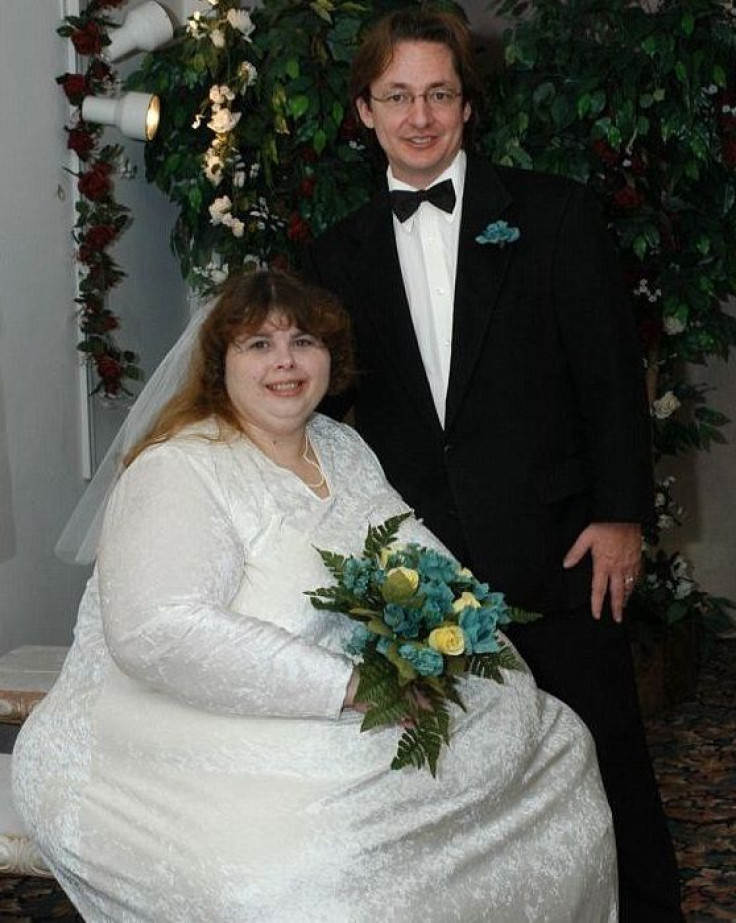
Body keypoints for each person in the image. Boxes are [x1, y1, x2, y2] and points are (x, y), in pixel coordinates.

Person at [13, 269, 617, 922]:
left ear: (330, 356)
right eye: (258, 345)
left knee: (553, 738)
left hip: (326, 696)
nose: (286, 362)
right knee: (332, 869)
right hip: (155, 739)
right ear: (220, 365)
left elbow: (416, 559)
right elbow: (160, 631)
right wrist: (350, 684)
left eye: (303, 341)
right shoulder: (180, 468)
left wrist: (468, 641)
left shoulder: (341, 446)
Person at [305, 8, 682, 922]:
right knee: (457, 795)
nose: (420, 115)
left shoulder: (554, 215)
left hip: (559, 554)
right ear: (364, 110)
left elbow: (609, 379)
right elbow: (324, 413)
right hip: (420, 576)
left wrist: (623, 516)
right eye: (397, 95)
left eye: (439, 93)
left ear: (469, 106)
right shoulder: (335, 251)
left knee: (605, 763)